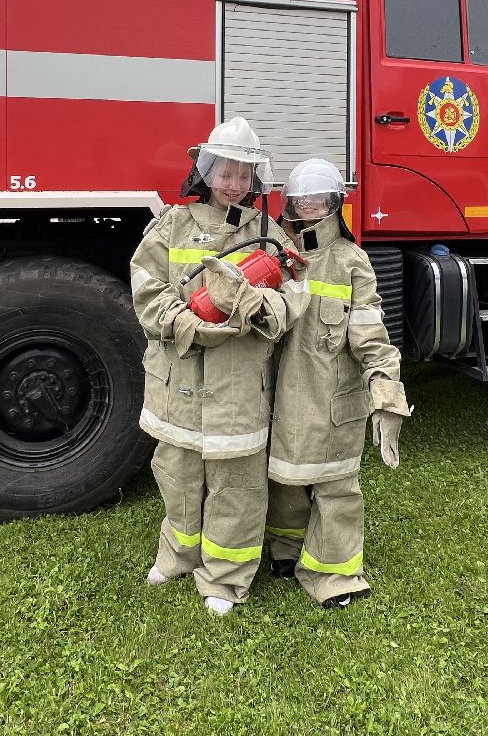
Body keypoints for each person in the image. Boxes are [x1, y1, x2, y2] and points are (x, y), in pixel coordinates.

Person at [130, 118, 304, 615]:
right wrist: (184, 322)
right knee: (177, 473)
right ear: (207, 172)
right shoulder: (171, 226)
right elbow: (145, 284)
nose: (234, 183)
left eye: (244, 175)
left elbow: (295, 295)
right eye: (226, 172)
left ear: (254, 181)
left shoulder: (269, 234)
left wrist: (262, 309)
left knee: (237, 485)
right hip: (178, 383)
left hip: (238, 388)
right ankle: (178, 556)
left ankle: (224, 579)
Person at [265, 158, 412, 608]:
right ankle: (286, 551)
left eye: (319, 199)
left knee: (335, 488)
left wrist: (386, 386)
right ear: (290, 203)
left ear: (334, 204)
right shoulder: (274, 255)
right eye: (301, 200)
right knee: (285, 482)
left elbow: (371, 332)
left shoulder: (352, 261)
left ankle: (333, 575)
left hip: (331, 399)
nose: (309, 207)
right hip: (281, 398)